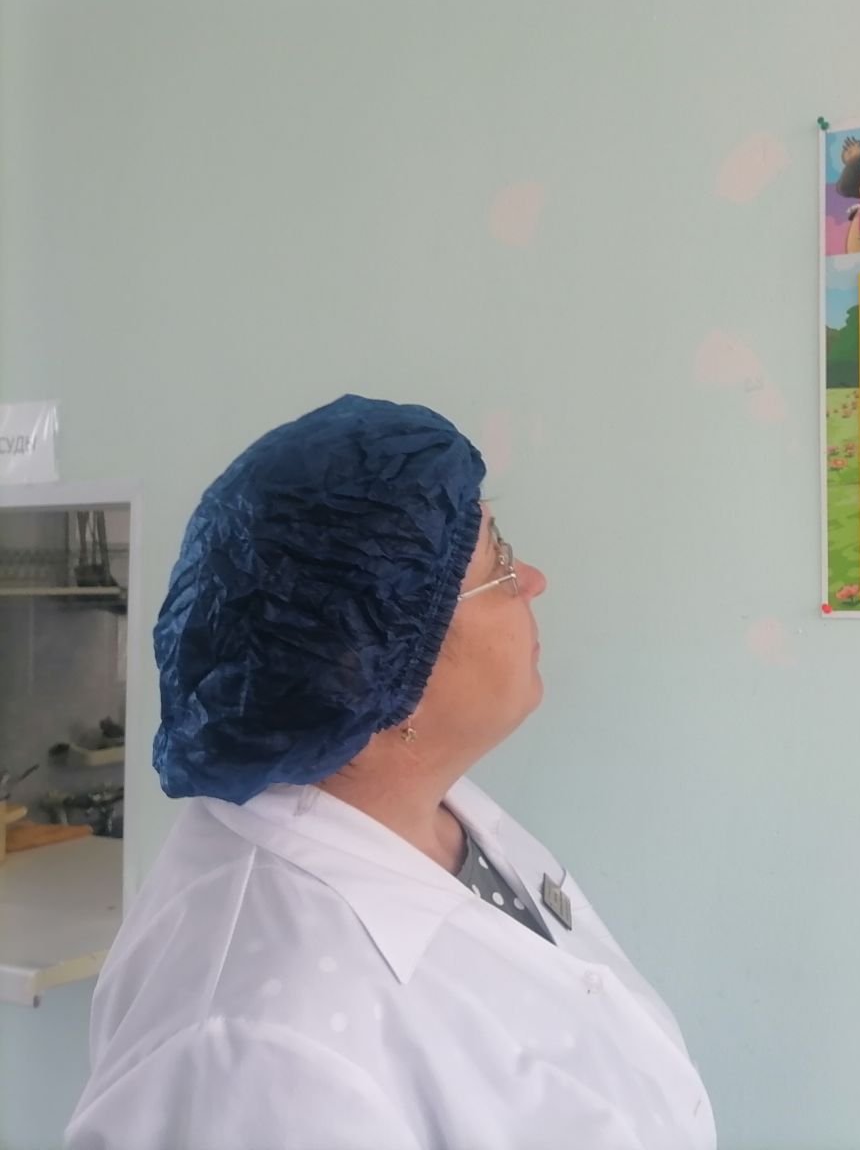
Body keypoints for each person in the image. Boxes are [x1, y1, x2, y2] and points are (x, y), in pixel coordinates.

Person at [65, 395, 715, 1150]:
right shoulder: (257, 1051)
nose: (533, 579)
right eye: (499, 564)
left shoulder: (429, 817)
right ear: (376, 674)